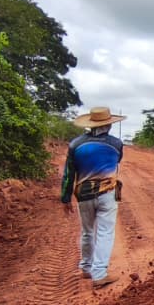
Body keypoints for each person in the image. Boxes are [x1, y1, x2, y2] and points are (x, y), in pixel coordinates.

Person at [61, 107, 126, 289]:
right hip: (107, 193)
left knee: (87, 231)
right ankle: (99, 274)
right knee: (105, 232)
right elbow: (117, 160)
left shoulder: (75, 145)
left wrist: (65, 198)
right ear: (109, 125)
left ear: (90, 125)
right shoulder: (116, 144)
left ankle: (86, 268)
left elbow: (68, 174)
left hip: (84, 194)